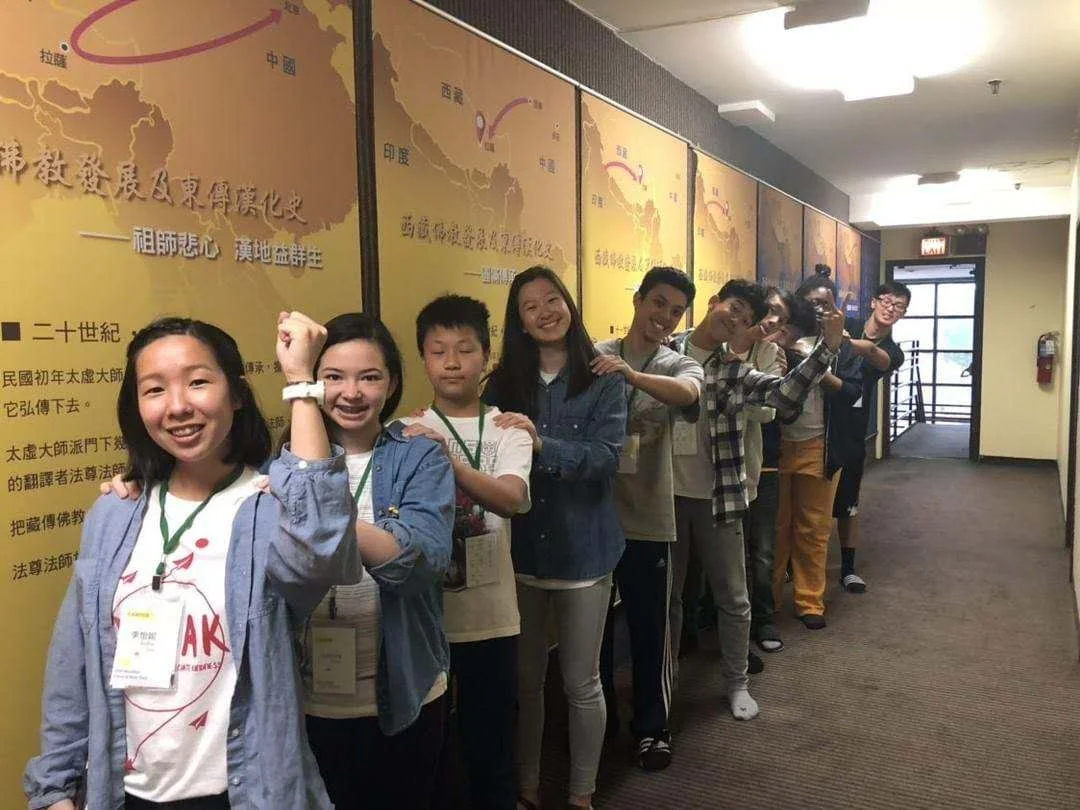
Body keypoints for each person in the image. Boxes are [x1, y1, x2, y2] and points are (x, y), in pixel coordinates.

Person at [25, 312, 359, 810]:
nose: (178, 406)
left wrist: (300, 381)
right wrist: (54, 788)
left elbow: (322, 551)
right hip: (125, 793)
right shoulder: (114, 513)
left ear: (237, 394)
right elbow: (74, 660)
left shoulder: (265, 508)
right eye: (154, 389)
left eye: (198, 382)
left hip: (241, 792)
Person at [298, 312, 456, 810]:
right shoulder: (282, 463)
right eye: (333, 377)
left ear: (391, 384)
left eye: (369, 377)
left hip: (404, 692)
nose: (351, 393)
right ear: (312, 384)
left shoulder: (418, 456)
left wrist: (324, 511)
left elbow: (421, 563)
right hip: (307, 698)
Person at [483, 266, 626, 810]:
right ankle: (527, 788)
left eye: (553, 299)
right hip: (520, 553)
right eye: (530, 306)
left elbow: (606, 459)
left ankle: (581, 793)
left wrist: (541, 446)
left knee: (581, 682)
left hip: (585, 551)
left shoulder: (603, 376)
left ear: (569, 303)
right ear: (519, 322)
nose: (545, 312)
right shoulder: (502, 384)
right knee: (526, 681)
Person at [670, 279, 844, 719]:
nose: (737, 321)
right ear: (713, 303)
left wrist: (827, 347)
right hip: (663, 497)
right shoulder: (666, 354)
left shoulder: (731, 368)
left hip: (720, 495)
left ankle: (736, 682)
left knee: (734, 595)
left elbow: (783, 396)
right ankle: (663, 685)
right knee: (669, 599)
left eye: (746, 319)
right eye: (733, 309)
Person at [403, 295, 533, 810]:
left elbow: (512, 499)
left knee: (491, 747)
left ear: (486, 356)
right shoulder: (403, 432)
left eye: (464, 349)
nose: (452, 362)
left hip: (492, 617)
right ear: (423, 359)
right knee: (426, 752)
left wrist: (449, 463)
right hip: (425, 621)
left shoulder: (508, 428)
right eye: (438, 351)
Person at [594, 267, 703, 771]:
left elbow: (689, 395)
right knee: (593, 635)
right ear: (638, 300)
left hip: (649, 520)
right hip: (593, 521)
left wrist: (632, 377)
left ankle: (653, 728)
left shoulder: (679, 363)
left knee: (649, 630)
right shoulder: (595, 352)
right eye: (658, 303)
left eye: (676, 311)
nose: (665, 316)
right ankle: (599, 723)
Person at [772, 276, 862, 631]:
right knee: (775, 529)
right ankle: (769, 601)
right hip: (777, 446)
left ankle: (810, 600)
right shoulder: (779, 338)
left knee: (813, 529)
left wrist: (818, 367)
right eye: (811, 302)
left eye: (826, 303)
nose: (819, 309)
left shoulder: (842, 346)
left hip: (820, 446)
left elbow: (852, 393)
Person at [833, 281, 910, 593]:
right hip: (820, 419)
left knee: (848, 502)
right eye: (887, 301)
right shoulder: (848, 324)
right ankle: (791, 564)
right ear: (874, 302)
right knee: (807, 500)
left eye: (899, 306)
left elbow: (876, 356)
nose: (891, 309)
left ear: (903, 314)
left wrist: (845, 342)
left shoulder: (894, 351)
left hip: (852, 427)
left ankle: (848, 568)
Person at [741, 287, 794, 655]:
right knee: (722, 549)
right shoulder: (719, 344)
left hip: (766, 461)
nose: (774, 321)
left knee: (761, 549)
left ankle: (762, 618)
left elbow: (773, 410)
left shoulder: (776, 355)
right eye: (770, 311)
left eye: (782, 318)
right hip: (716, 464)